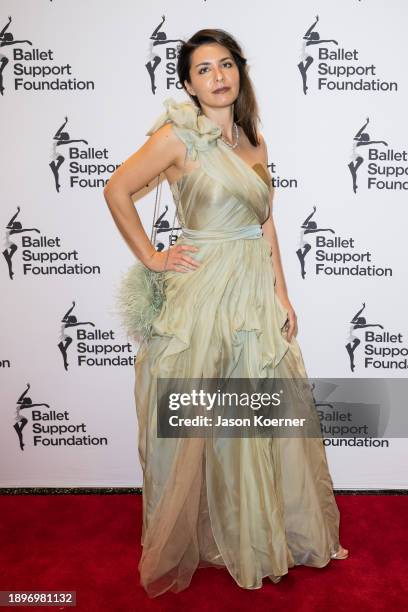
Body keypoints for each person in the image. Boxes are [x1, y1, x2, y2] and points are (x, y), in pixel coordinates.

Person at [103, 28, 349, 599]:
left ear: (239, 72)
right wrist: (153, 256)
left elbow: (265, 224)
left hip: (253, 292)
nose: (218, 76)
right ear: (189, 84)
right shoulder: (177, 138)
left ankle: (261, 537)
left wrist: (282, 293)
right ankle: (206, 534)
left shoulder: (254, 140)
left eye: (226, 65)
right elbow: (117, 190)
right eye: (204, 69)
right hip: (204, 292)